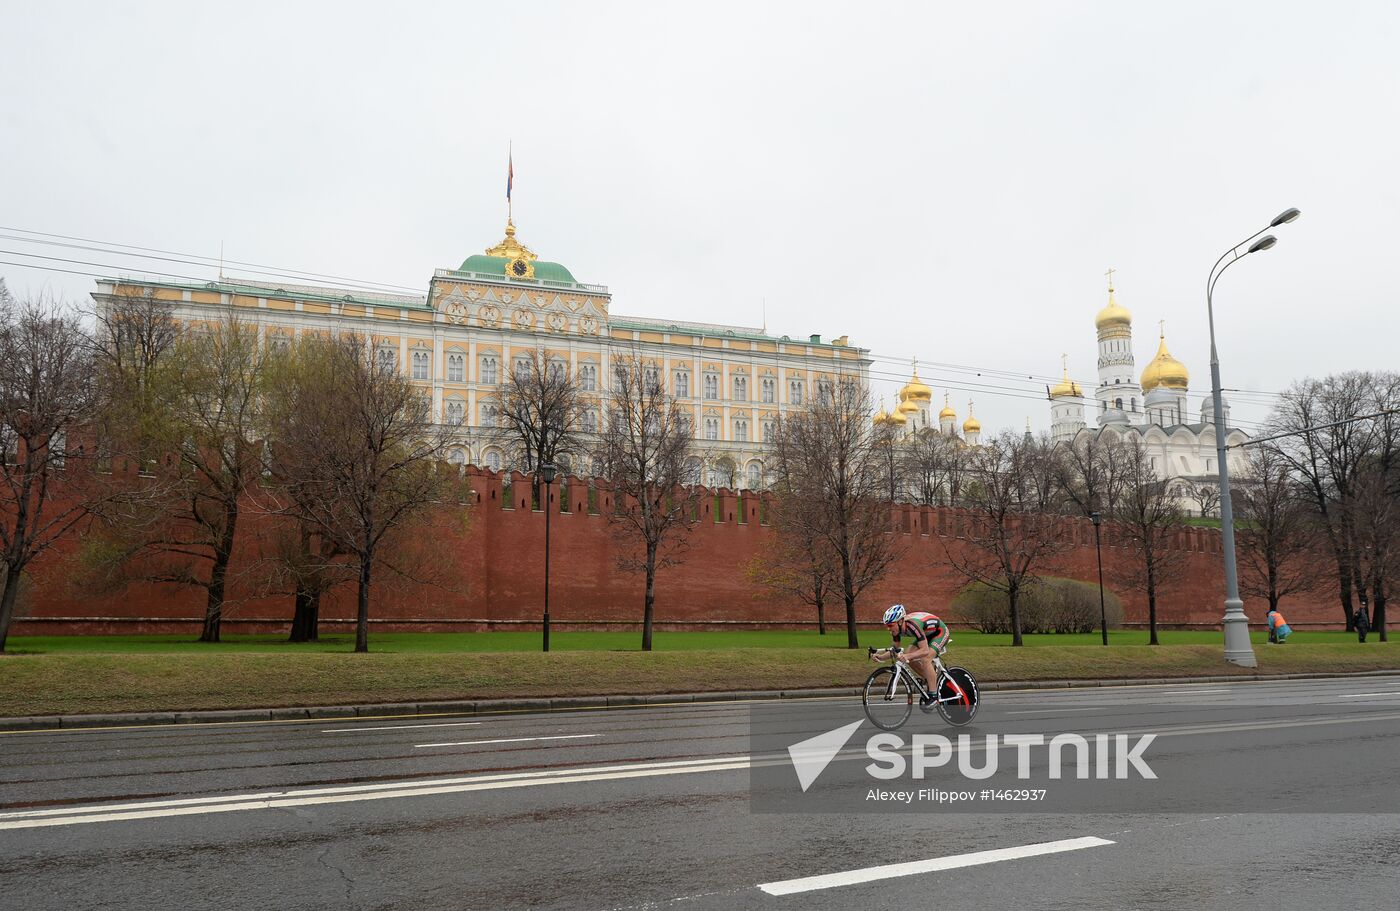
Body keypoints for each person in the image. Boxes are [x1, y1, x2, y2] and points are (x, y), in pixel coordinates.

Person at [871, 604, 950, 704]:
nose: (888, 628)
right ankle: (930, 679)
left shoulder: (913, 625)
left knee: (925, 659)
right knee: (909, 655)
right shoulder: (896, 630)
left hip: (940, 632)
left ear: (900, 621)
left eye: (890, 625)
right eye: (887, 626)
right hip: (927, 634)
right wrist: (881, 657)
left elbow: (924, 650)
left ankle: (934, 696)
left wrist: (907, 656)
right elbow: (896, 650)